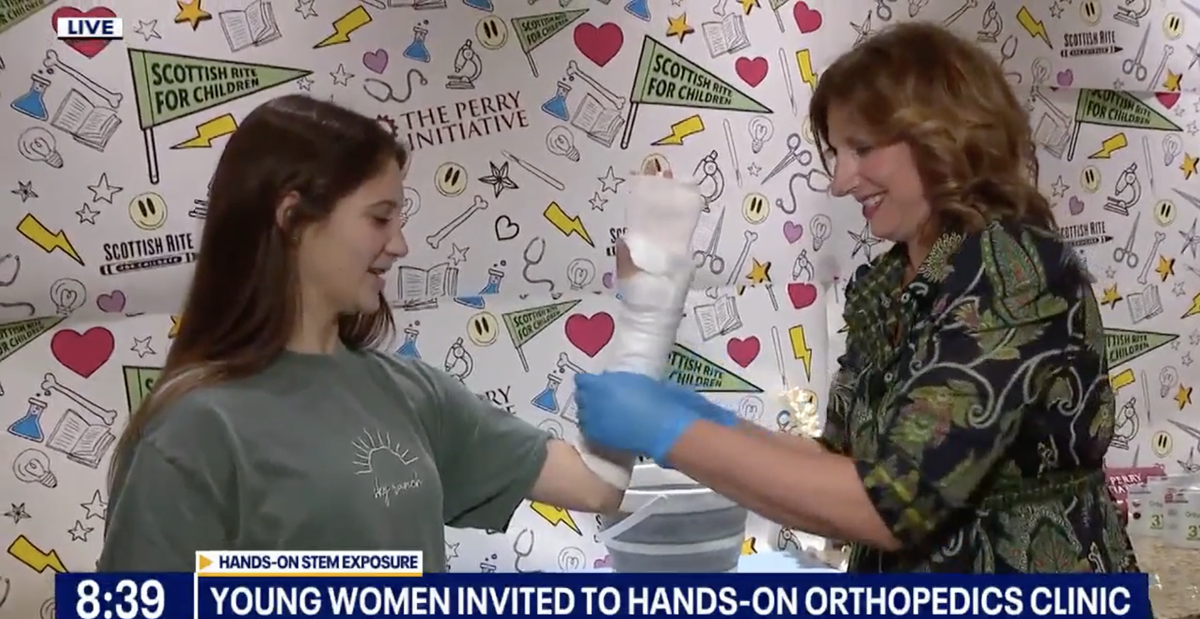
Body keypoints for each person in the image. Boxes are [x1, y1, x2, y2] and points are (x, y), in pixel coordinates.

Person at [571, 22, 1143, 574]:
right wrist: (703, 420)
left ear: (943, 133)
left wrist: (672, 431)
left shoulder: (1011, 269)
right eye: (838, 153)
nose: (840, 181)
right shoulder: (888, 284)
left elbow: (891, 504)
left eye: (863, 148)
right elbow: (844, 472)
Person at [99, 95, 628, 571]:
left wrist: (647, 308)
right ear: (292, 218)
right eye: (379, 219)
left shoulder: (410, 394)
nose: (400, 246)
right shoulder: (194, 430)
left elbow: (598, 487)